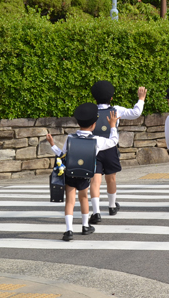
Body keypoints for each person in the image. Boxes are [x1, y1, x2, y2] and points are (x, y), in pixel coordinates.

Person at [46, 103, 119, 241]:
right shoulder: (97, 140)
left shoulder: (70, 138)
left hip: (70, 174)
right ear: (94, 125)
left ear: (78, 123)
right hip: (85, 175)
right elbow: (114, 141)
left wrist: (52, 144)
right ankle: (85, 226)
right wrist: (113, 125)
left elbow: (61, 155)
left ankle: (69, 230)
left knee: (70, 202)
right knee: (84, 198)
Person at [89, 81, 147, 224]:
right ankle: (112, 206)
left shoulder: (90, 111)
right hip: (110, 148)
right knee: (111, 178)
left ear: (94, 98)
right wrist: (141, 99)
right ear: (111, 98)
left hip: (93, 149)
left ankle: (96, 212)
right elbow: (135, 113)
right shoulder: (116, 110)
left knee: (95, 182)